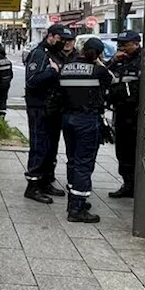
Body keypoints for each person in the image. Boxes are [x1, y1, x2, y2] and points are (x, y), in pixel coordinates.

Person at [57, 37, 112, 222]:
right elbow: (111, 81)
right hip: (87, 120)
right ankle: (77, 208)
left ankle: (73, 197)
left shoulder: (66, 68)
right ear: (97, 53)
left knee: (72, 160)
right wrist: (98, 62)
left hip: (68, 118)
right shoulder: (98, 70)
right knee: (84, 163)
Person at [22, 24, 72, 204]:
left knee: (51, 147)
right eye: (60, 39)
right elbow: (32, 80)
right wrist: (51, 72)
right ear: (50, 36)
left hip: (54, 108)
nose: (63, 43)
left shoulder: (57, 55)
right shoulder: (39, 53)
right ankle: (33, 185)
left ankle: (45, 180)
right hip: (39, 107)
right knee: (39, 146)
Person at [105, 30, 143, 198]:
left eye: (124, 44)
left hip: (139, 116)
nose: (121, 47)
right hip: (121, 113)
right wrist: (112, 61)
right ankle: (128, 184)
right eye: (119, 44)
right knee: (123, 152)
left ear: (136, 44)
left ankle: (142, 185)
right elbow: (103, 74)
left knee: (140, 152)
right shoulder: (119, 62)